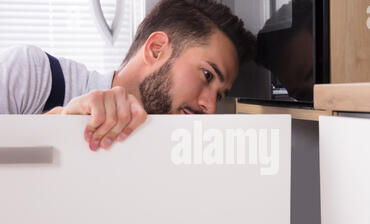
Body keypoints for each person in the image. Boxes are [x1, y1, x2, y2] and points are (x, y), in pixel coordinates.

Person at [0, 0, 255, 151]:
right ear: (156, 50)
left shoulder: (176, 158)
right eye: (207, 75)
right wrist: (58, 124)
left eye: (220, 95)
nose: (210, 108)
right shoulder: (36, 74)